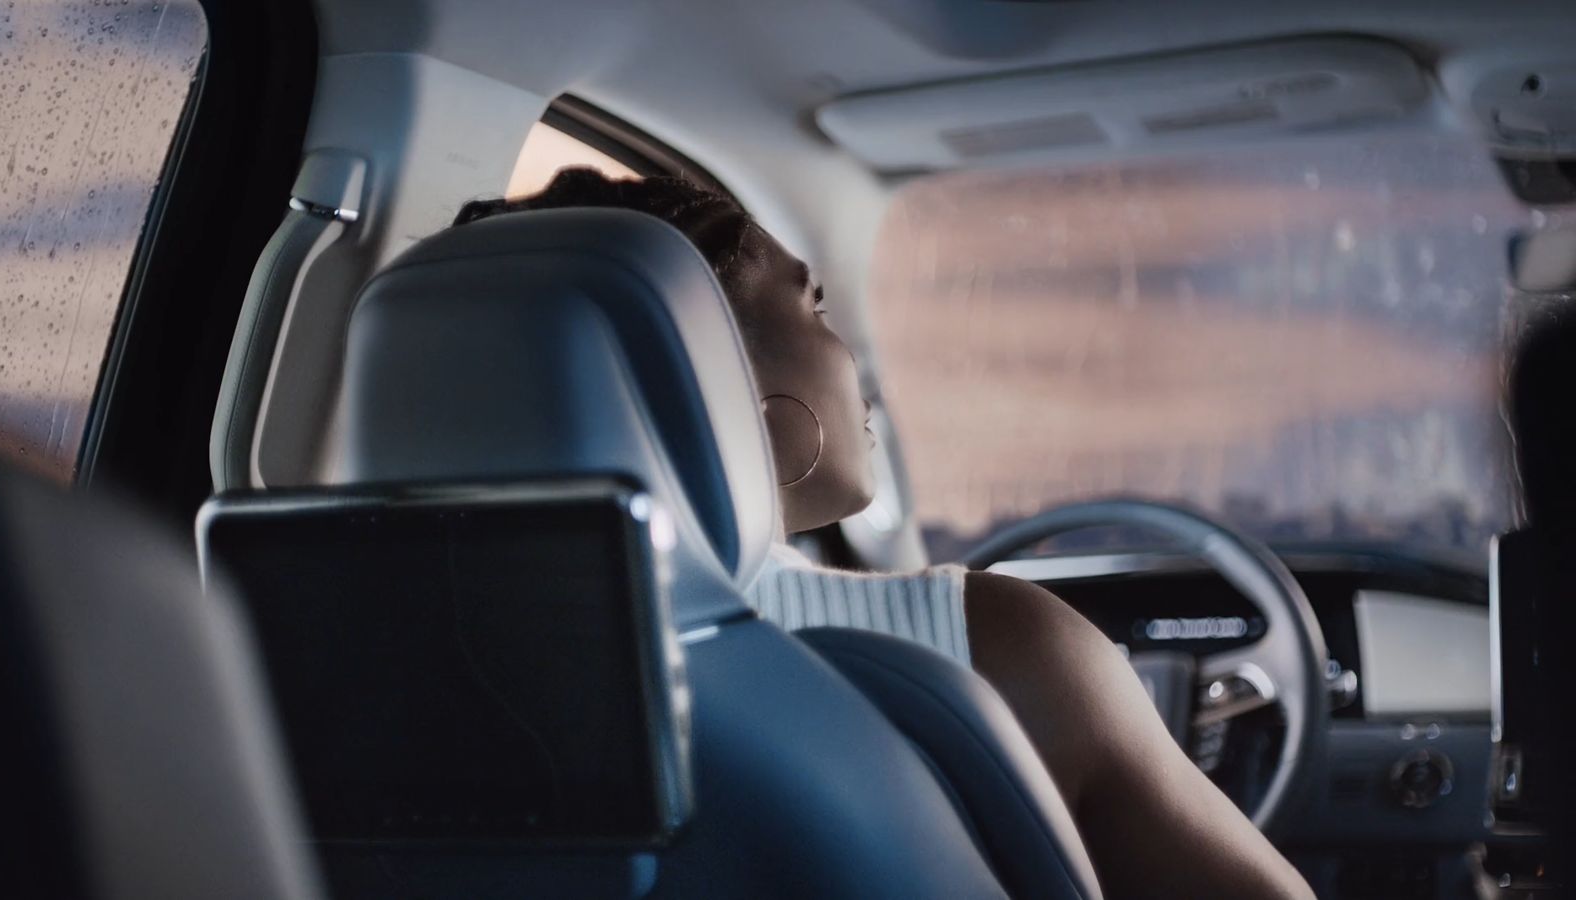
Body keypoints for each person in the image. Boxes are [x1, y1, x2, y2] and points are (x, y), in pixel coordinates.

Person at [456, 168, 1314, 899]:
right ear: (712, 370)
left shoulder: (374, 662)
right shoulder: (999, 643)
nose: (850, 355)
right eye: (814, 304)